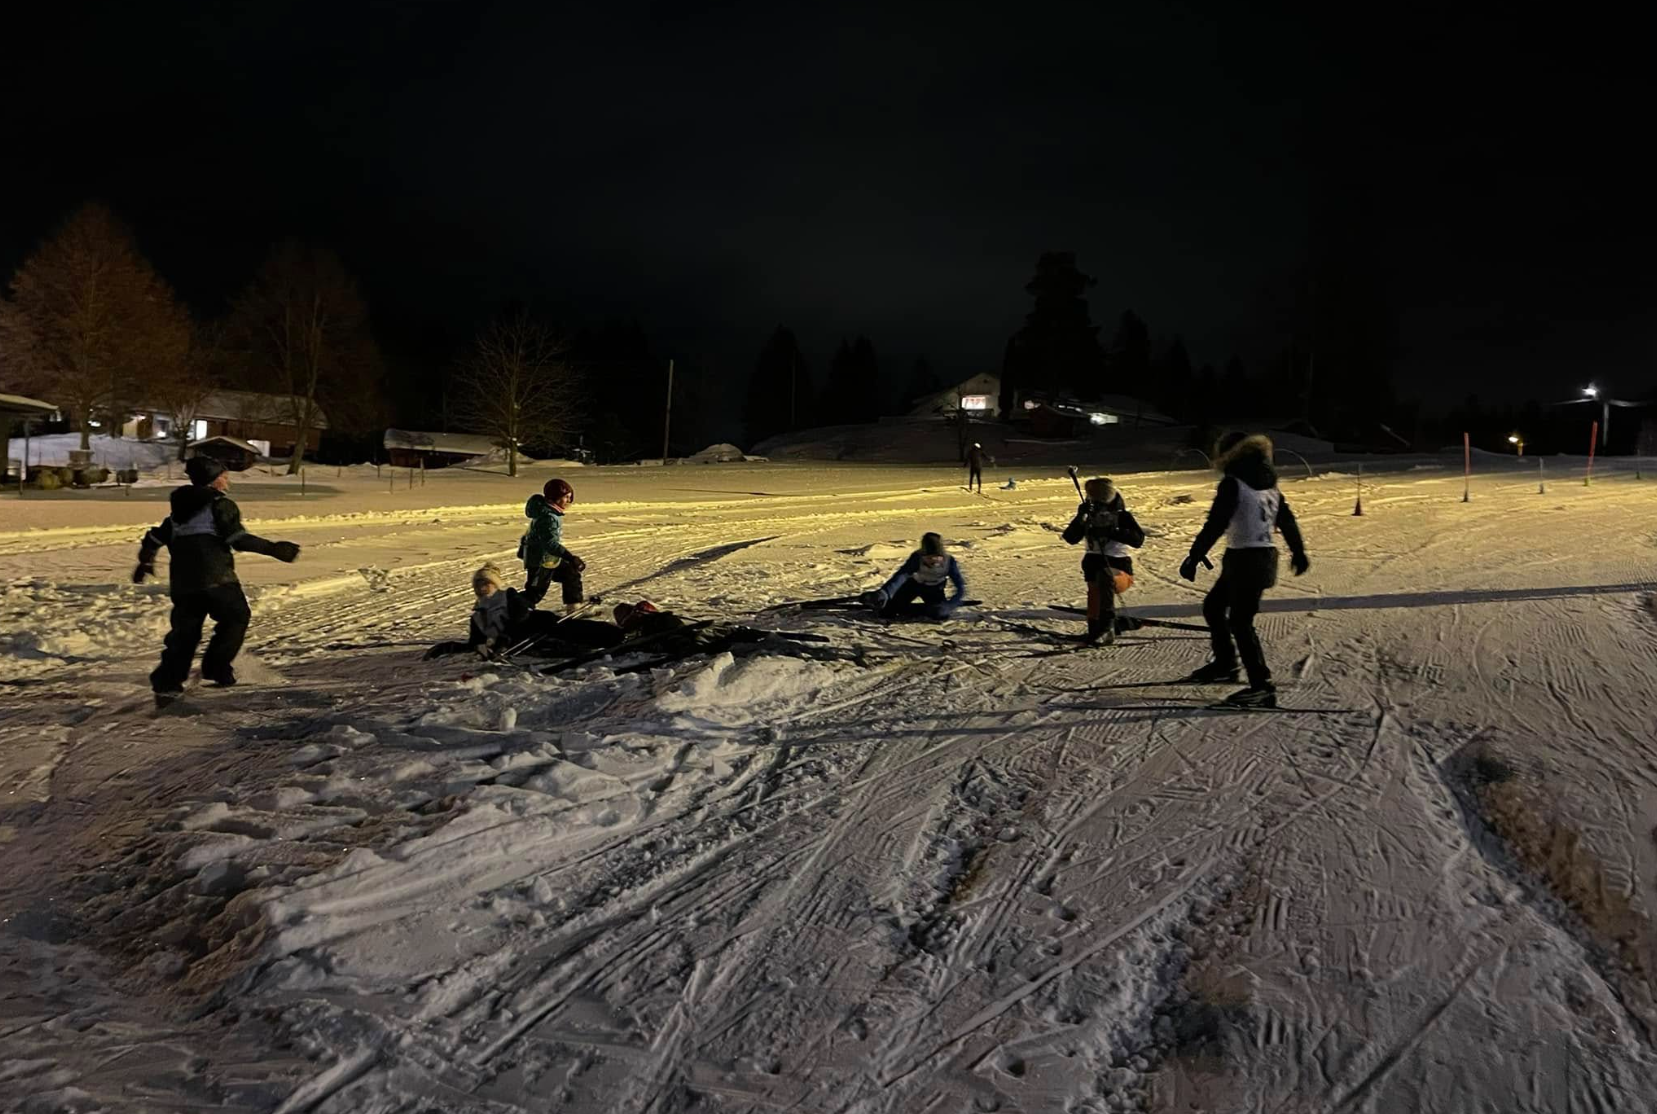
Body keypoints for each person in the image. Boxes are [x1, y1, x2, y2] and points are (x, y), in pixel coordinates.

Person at [133, 456, 301, 706]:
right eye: (224, 475)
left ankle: (167, 685)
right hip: (217, 579)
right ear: (213, 479)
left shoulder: (180, 512)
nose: (227, 479)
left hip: (184, 585)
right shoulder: (221, 505)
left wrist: (145, 562)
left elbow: (155, 537)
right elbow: (237, 538)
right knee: (236, 617)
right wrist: (275, 549)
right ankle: (216, 667)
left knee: (185, 634)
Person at [1179, 432, 1310, 707]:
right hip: (1253, 557)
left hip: (1247, 560)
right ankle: (1226, 664)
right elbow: (1286, 519)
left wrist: (1195, 555)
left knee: (1240, 621)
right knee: (1214, 607)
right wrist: (1298, 551)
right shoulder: (1270, 483)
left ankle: (1261, 686)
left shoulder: (1233, 483)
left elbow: (1217, 522)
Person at [424, 563, 621, 660]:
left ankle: (622, 633)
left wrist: (503, 640)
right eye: (479, 585)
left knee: (589, 633)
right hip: (531, 643)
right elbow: (476, 644)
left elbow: (520, 620)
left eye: (488, 584)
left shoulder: (512, 599)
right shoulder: (479, 617)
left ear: (496, 586)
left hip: (545, 627)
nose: (484, 589)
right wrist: (448, 647)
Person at [1062, 477, 1146, 643]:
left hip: (1120, 573)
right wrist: (1080, 518)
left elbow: (1138, 540)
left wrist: (1112, 531)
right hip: (1095, 571)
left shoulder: (1122, 516)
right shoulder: (1089, 517)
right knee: (1095, 589)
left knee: (1104, 575)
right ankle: (1095, 630)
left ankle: (1107, 627)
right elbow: (1070, 538)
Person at [862, 532, 968, 619]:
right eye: (929, 557)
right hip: (912, 586)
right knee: (887, 613)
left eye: (936, 557)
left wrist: (952, 603)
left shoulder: (950, 562)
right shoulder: (917, 558)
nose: (933, 561)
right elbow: (901, 576)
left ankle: (919, 609)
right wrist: (885, 593)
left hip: (934, 590)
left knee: (940, 614)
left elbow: (960, 586)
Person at [520, 478, 586, 612]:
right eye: (565, 497)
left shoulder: (545, 512)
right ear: (555, 498)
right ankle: (511, 610)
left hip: (549, 559)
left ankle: (574, 607)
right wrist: (570, 557)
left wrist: (524, 549)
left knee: (570, 574)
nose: (568, 501)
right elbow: (550, 543)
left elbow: (530, 534)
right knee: (534, 593)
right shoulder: (549, 517)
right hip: (542, 561)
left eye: (569, 497)